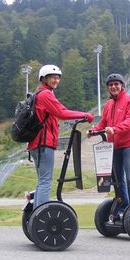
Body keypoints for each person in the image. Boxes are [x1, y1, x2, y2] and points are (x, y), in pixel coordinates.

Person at [27, 64, 94, 209]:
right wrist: (85, 115)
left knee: (42, 181)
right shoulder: (45, 94)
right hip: (43, 143)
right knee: (45, 182)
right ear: (44, 78)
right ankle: (41, 214)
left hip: (36, 144)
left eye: (58, 78)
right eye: (52, 77)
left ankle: (35, 215)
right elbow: (61, 113)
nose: (56, 80)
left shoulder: (40, 93)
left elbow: (58, 111)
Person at [88, 73, 130, 218]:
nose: (113, 87)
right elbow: (103, 124)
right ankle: (123, 207)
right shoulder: (108, 105)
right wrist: (93, 130)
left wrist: (115, 129)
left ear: (122, 85)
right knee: (118, 181)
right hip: (114, 146)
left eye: (116, 84)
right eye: (111, 85)